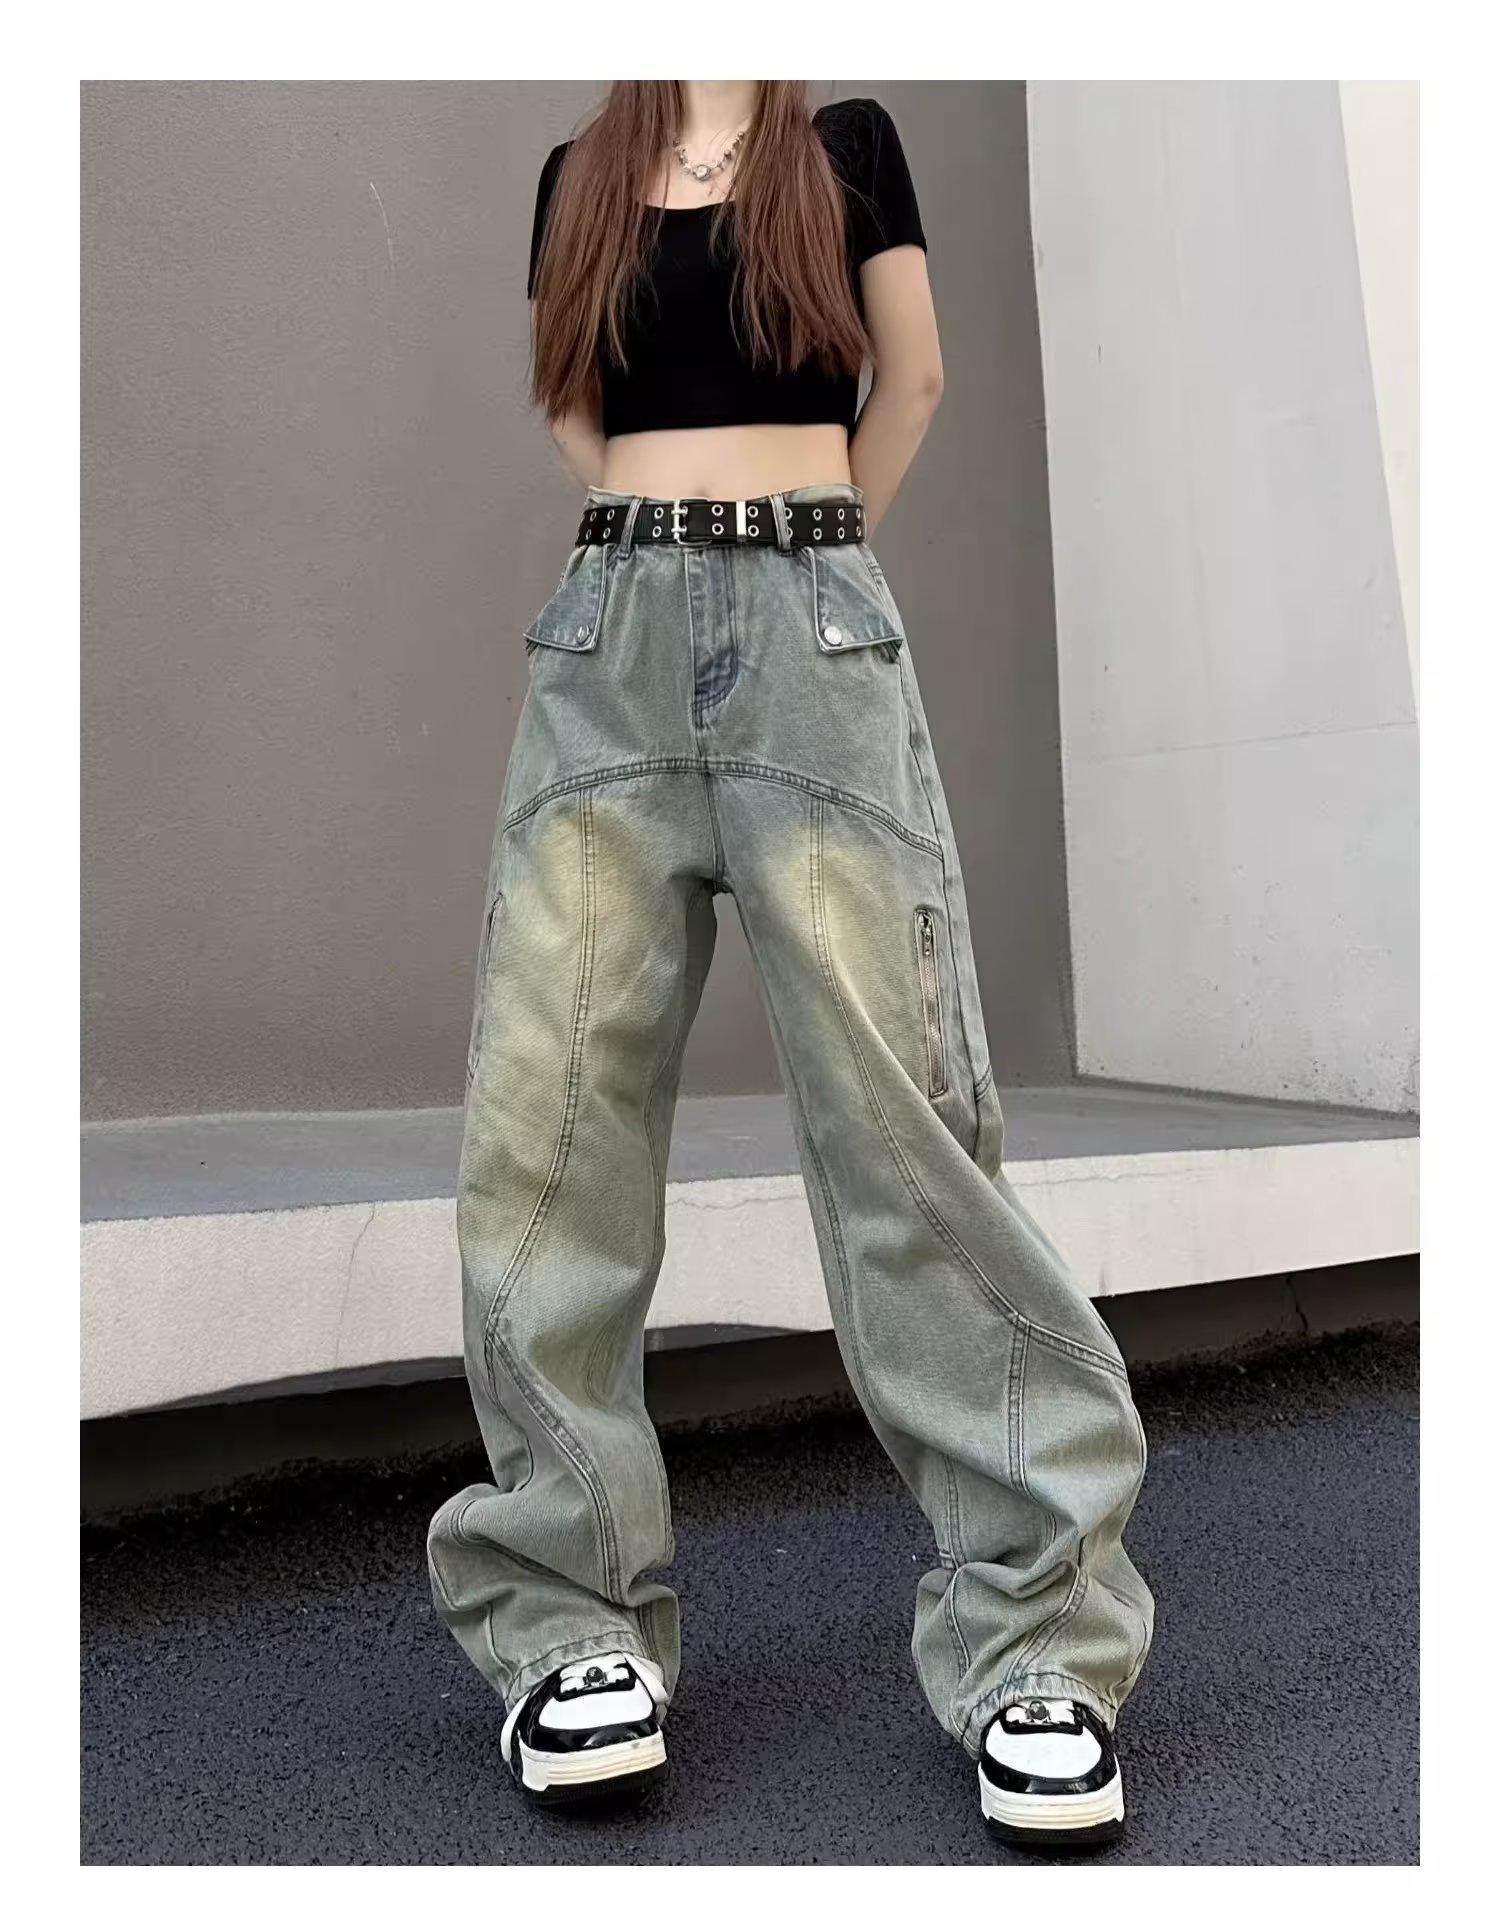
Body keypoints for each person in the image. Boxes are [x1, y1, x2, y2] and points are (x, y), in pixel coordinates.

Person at [426, 80, 1153, 1851]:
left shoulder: (846, 153)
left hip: (813, 623)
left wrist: (801, 554)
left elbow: (913, 380)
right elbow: (572, 403)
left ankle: (1036, 1639)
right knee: (549, 1125)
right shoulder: (578, 175)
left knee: (903, 1133)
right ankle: (568, 1626)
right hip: (607, 640)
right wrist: (673, 556)